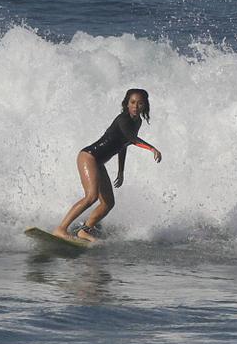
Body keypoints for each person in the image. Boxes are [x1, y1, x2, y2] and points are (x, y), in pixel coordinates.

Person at [53, 88, 162, 242]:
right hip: (89, 156)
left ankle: (84, 231)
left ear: (145, 105)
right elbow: (131, 138)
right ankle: (60, 229)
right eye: (132, 102)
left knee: (108, 203)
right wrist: (152, 148)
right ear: (126, 103)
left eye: (140, 103)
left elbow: (124, 144)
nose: (135, 106)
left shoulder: (137, 121)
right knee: (91, 197)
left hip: (99, 162)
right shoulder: (122, 119)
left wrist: (120, 171)